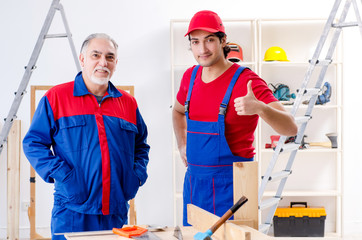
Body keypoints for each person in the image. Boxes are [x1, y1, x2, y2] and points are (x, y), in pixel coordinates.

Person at [172, 10, 298, 225]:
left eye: (209, 40)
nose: (202, 49)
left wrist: (259, 108)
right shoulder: (189, 77)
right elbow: (177, 111)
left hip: (233, 187)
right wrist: (182, 145)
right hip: (194, 185)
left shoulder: (246, 80)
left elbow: (291, 128)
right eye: (195, 42)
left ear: (223, 41)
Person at [23, 33, 150, 239]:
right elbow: (33, 143)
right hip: (72, 210)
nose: (103, 62)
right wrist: (64, 175)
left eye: (109, 57)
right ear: (82, 59)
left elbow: (141, 146)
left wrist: (135, 176)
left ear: (116, 63)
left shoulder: (128, 103)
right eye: (96, 55)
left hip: (115, 210)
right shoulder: (57, 98)